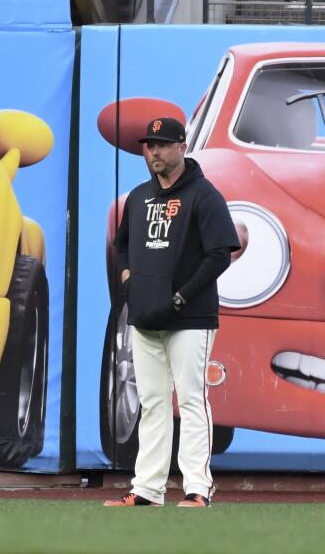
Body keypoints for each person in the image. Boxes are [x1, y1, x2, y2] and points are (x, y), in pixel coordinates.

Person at [103, 117, 239, 509]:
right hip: (146, 318)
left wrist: (181, 298)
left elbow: (219, 255)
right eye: (150, 145)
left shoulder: (204, 195)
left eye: (163, 144)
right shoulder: (140, 196)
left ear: (182, 146)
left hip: (189, 319)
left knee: (192, 401)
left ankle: (198, 488)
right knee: (152, 402)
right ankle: (147, 489)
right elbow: (122, 245)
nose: (155, 152)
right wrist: (130, 281)